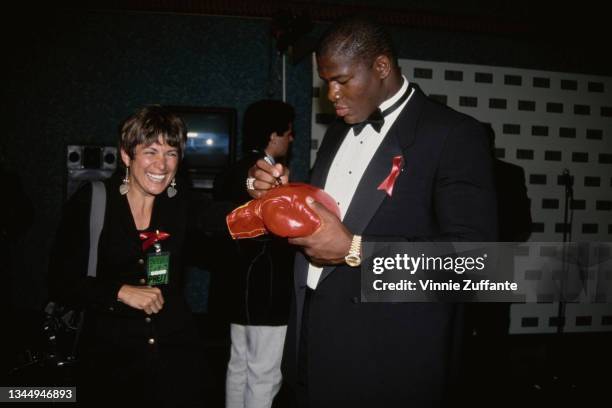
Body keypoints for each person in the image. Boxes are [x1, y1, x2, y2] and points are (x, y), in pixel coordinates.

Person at [247, 16, 497, 407]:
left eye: (341, 81)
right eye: (325, 82)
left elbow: (478, 264)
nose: (331, 95)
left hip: (386, 359)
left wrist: (357, 250)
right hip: (312, 338)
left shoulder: (453, 134)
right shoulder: (339, 130)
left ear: (381, 67)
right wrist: (283, 196)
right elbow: (331, 215)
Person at [48, 105, 207, 407]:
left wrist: (255, 187)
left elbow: (221, 217)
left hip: (172, 354)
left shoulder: (178, 202)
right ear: (126, 154)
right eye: (151, 151)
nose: (162, 164)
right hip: (109, 360)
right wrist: (120, 291)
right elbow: (59, 281)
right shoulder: (94, 200)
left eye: (171, 153)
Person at [213, 100, 296, 408]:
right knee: (265, 374)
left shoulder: (227, 171)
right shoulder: (262, 175)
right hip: (266, 293)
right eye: (288, 132)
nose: (291, 139)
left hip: (235, 291)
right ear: (273, 135)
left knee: (238, 366)